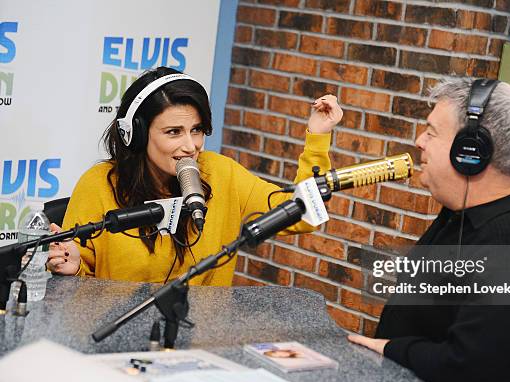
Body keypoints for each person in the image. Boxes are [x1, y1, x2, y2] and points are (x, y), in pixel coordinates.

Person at [347, 78, 510, 382]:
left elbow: (473, 372)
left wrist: (390, 348)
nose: (419, 141)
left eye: (431, 133)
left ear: (470, 150)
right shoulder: (464, 214)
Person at [46, 66, 342, 286]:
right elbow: (77, 283)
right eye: (174, 132)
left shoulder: (221, 172)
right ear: (135, 136)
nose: (191, 147)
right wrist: (71, 268)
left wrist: (316, 138)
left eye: (197, 130)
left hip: (200, 347)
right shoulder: (99, 184)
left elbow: (304, 215)